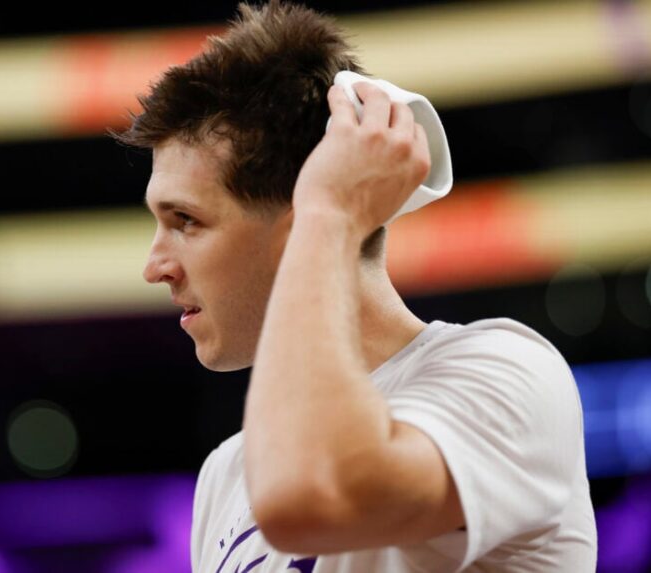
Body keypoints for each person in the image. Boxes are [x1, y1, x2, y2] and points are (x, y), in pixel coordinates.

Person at [115, 1, 597, 571]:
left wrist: (333, 215)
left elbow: (309, 499)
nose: (155, 266)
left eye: (185, 221)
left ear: (305, 212)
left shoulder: (506, 372)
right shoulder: (227, 472)